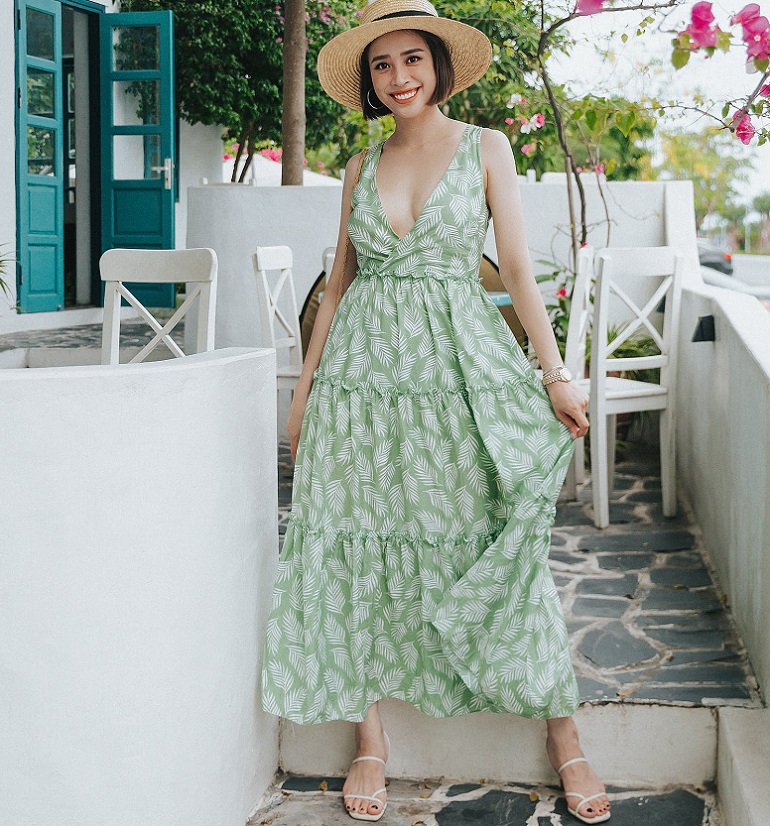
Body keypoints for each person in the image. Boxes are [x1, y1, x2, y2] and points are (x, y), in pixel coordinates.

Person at [261, 1, 610, 823]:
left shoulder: (486, 146)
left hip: (457, 372)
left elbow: (518, 270)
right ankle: (370, 740)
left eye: (411, 59)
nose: (398, 78)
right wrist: (304, 390)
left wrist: (556, 373)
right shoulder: (357, 165)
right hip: (360, 383)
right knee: (355, 544)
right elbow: (339, 285)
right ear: (370, 82)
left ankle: (565, 734)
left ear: (439, 66)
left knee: (492, 529)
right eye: (382, 66)